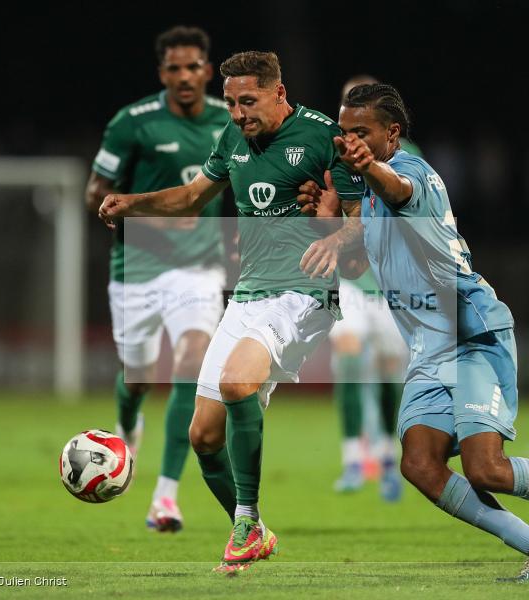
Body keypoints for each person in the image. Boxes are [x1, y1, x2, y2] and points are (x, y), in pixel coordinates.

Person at [296, 83, 529, 582]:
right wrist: (328, 221)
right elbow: (363, 259)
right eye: (343, 133)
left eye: (360, 133)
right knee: (419, 465)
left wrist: (366, 168)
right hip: (428, 348)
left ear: (392, 134)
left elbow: (398, 189)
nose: (348, 143)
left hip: (472, 333)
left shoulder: (413, 174)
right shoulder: (366, 195)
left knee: (486, 468)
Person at [98, 51, 365, 572]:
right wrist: (132, 202)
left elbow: (362, 218)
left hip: (306, 293)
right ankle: (255, 530)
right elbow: (193, 197)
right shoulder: (232, 139)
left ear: (279, 94)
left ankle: (244, 521)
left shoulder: (321, 136)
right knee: (203, 436)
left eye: (249, 102)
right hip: (249, 295)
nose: (239, 114)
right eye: (232, 103)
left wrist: (338, 236)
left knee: (238, 383)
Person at [84, 26, 229, 533]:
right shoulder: (133, 123)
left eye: (193, 67)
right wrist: (145, 218)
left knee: (192, 361)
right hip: (137, 270)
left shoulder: (230, 121)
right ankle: (127, 428)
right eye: (174, 68)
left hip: (199, 269)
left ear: (207, 71)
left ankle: (165, 498)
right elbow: (95, 192)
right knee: (138, 375)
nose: (184, 76)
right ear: (162, 73)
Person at [330, 76, 412, 500]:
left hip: (392, 287)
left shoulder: (407, 160)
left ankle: (384, 457)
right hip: (348, 282)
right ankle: (350, 458)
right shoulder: (331, 153)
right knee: (347, 358)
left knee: (388, 375)